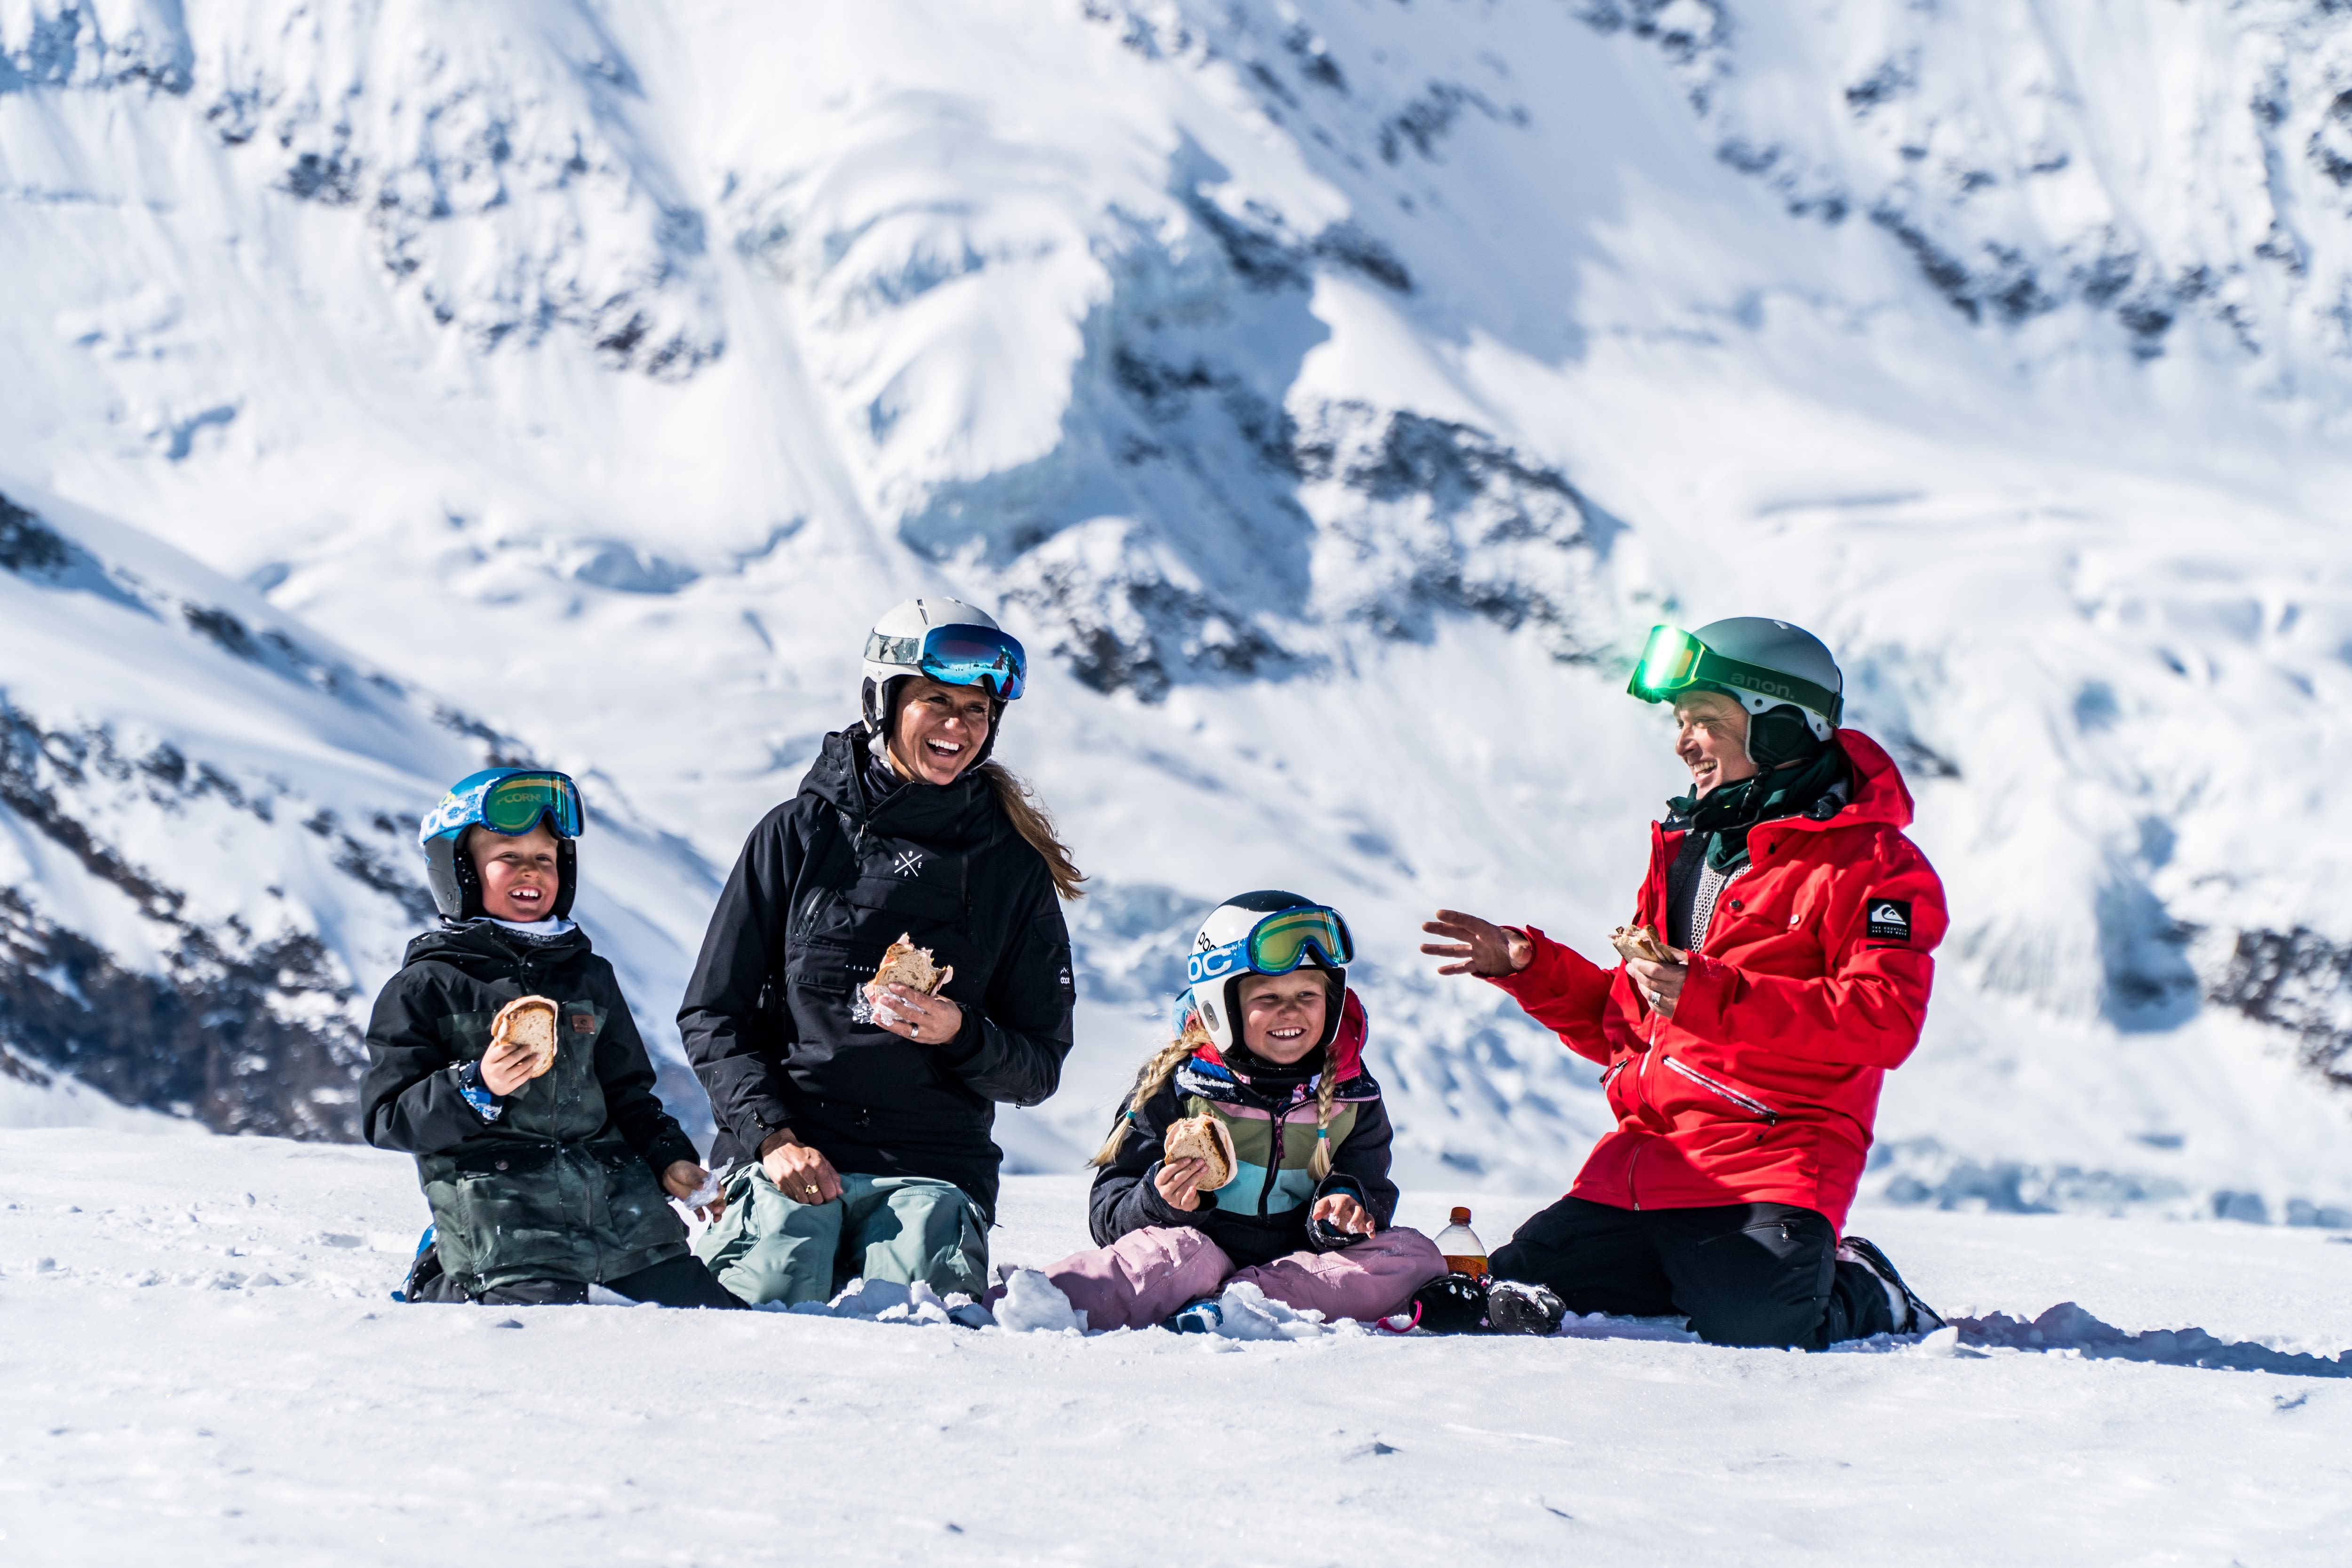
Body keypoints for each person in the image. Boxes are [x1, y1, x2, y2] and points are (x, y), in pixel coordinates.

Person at [1423, 618, 1947, 1348]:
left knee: (1761, 1323)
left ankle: (1864, 1285)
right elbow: (1629, 1025)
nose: (1682, 741)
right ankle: (1685, 1273)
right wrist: (1526, 965)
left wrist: (1713, 995)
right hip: (1640, 1168)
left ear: (1783, 728)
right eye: (1679, 721)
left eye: (1705, 720)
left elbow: (1883, 1019)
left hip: (1773, 1167)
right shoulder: (1690, 850)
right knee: (1509, 1291)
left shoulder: (1875, 866)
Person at [680, 598, 1081, 1306]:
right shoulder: (797, 836)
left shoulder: (1011, 870)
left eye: (977, 709)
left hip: (930, 1168)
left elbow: (1038, 1066)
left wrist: (961, 1033)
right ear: (884, 702)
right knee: (771, 1286)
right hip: (790, 1151)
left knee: (921, 1311)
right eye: (937, 701)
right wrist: (773, 1138)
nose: (958, 725)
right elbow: (714, 1014)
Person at [363, 768, 738, 1308]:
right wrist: (476, 1088)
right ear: (461, 871)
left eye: (545, 858)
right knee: (553, 1346)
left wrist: (669, 1160)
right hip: (505, 1227)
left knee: (720, 1326)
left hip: (626, 1227)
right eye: (507, 857)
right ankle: (446, 1281)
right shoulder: (427, 987)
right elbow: (387, 1117)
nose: (530, 871)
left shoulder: (587, 977)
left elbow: (629, 1095)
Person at [1037, 892, 1445, 1330]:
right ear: (1221, 1005)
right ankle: (1038, 1303)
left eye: (1308, 993)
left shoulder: (1352, 1094)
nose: (1290, 1010)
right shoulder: (1180, 1085)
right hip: (1196, 1255)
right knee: (1172, 1257)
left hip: (1301, 1268)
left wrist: (1348, 1208)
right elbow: (1108, 1212)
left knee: (1416, 1257)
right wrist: (1160, 1201)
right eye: (1267, 997)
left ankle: (1236, 1302)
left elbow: (1373, 1190)